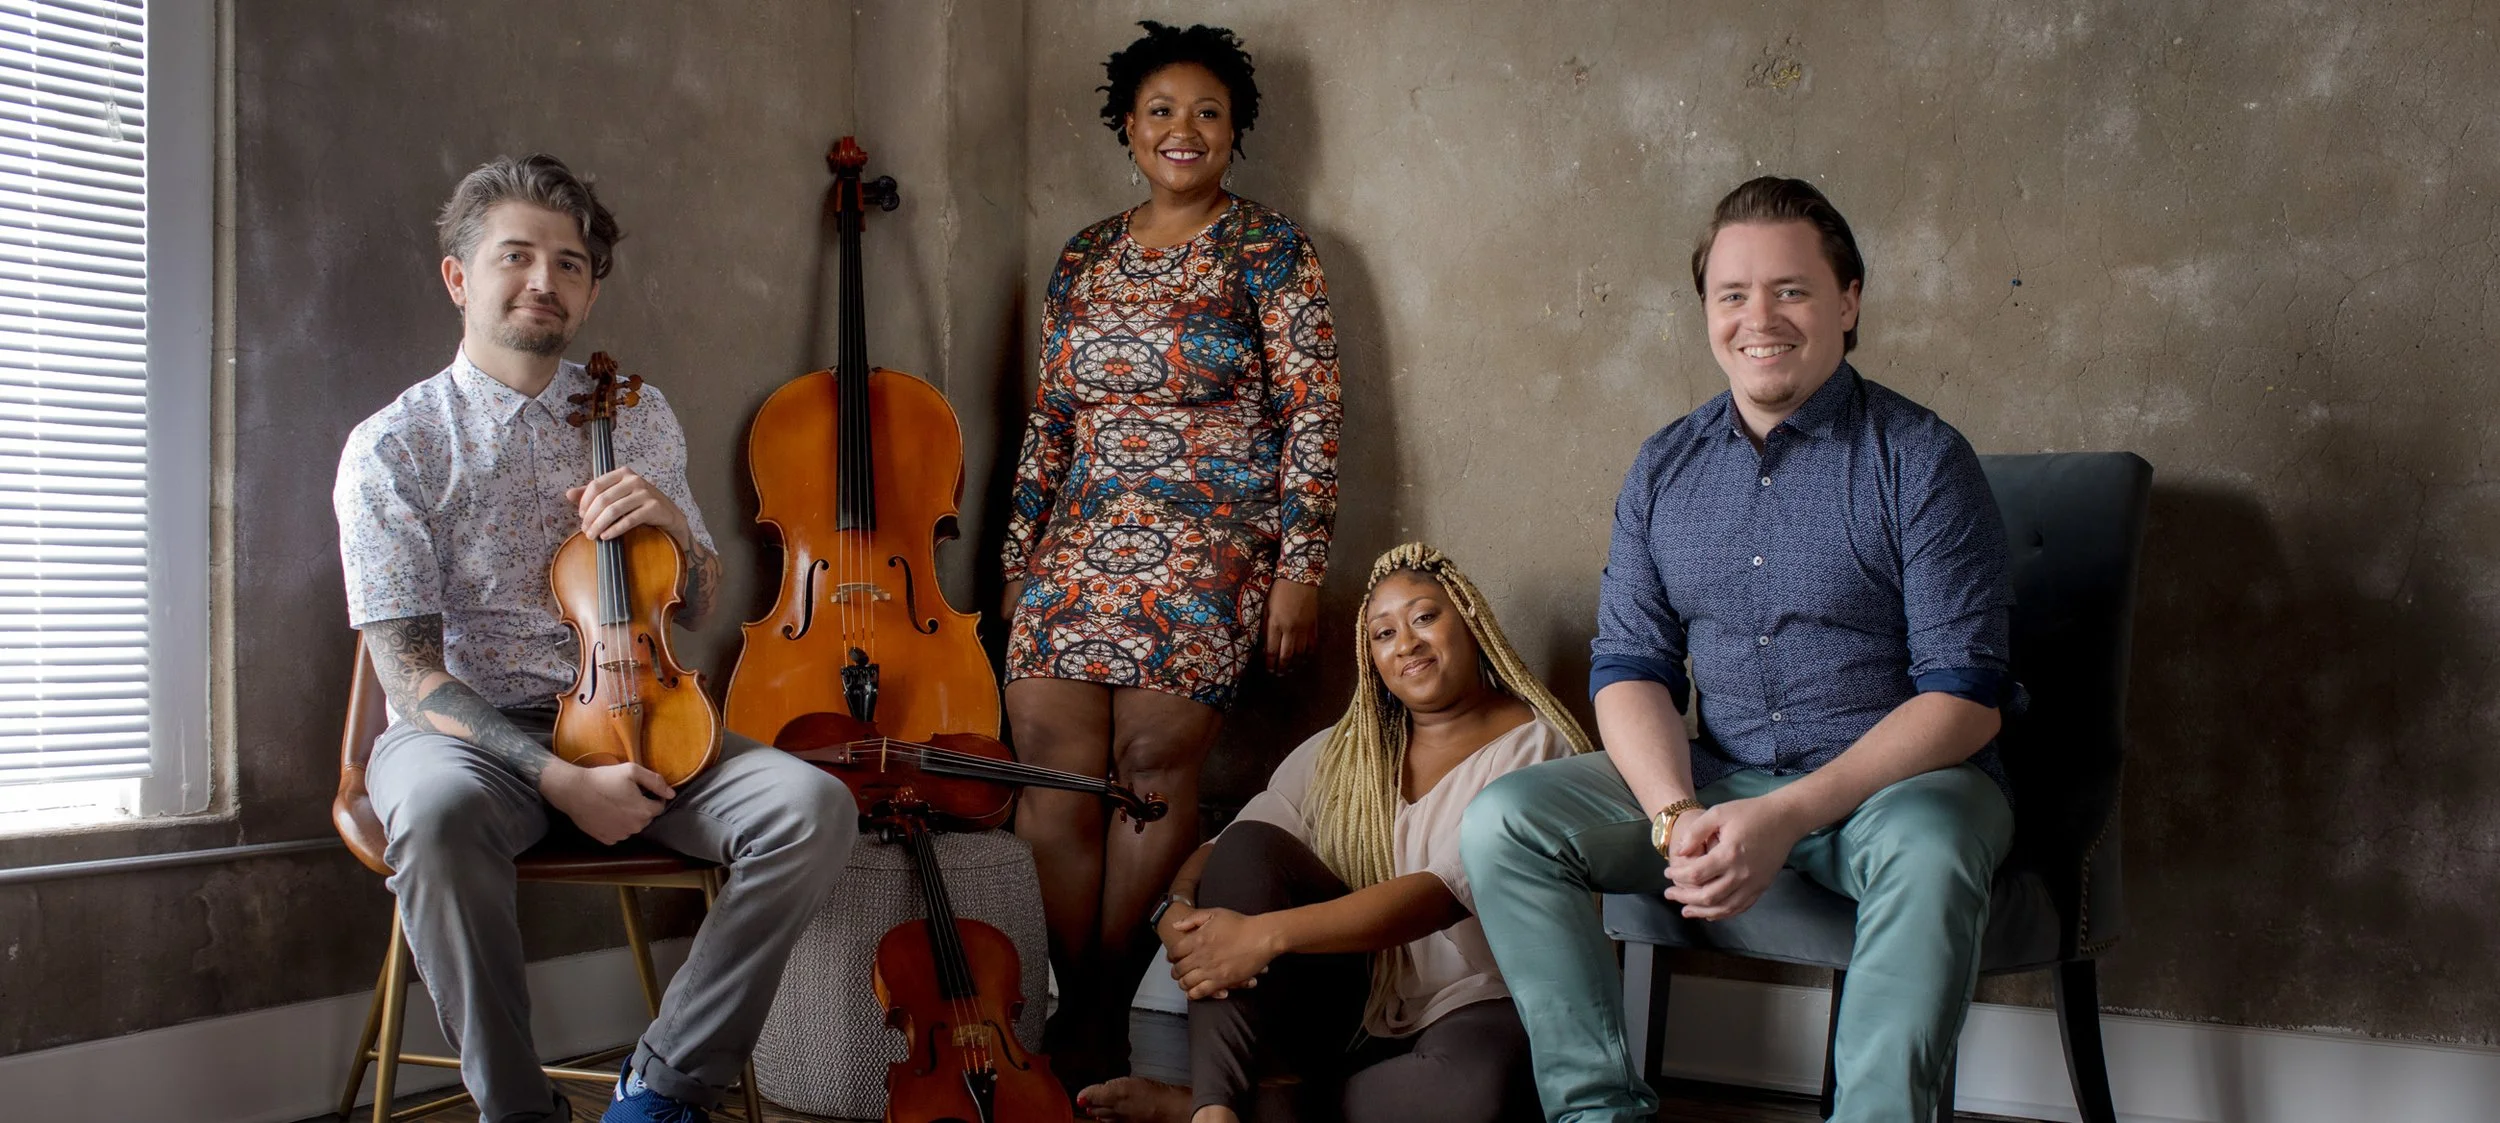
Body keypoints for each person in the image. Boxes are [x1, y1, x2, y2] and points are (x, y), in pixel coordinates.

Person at [1460, 177, 2018, 1123]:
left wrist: (1787, 814)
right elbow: (1629, 667)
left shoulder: (1922, 460)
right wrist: (1675, 813)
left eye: (1791, 290)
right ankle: (1598, 1115)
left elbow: (1965, 697)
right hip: (1718, 777)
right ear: (1708, 312)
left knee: (1934, 844)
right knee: (1504, 821)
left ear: (1848, 301)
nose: (1759, 318)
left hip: (1896, 790)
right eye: (1732, 294)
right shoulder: (1662, 467)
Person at [333, 154, 856, 1123]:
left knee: (811, 808)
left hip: (643, 716)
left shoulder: (636, 412)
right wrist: (559, 779)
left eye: (569, 264)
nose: (544, 280)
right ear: (458, 277)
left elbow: (696, 603)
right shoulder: (395, 446)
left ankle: (661, 1084)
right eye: (516, 255)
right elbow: (409, 676)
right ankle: (517, 1109)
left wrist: (676, 526)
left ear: (590, 291)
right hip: (471, 737)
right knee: (436, 818)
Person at [1000, 20, 1344, 1087]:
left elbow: (1313, 411)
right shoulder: (1083, 255)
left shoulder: (1271, 250)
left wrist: (1299, 566)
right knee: (1049, 775)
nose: (1182, 129)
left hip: (1209, 542)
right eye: (1160, 110)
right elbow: (1049, 418)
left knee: (1149, 772)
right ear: (1127, 127)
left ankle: (1102, 1013)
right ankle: (1072, 999)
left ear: (1235, 130)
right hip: (1077, 540)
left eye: (1206, 111)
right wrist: (1017, 555)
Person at [1078, 543, 1585, 1123]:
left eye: (1424, 617)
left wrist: (1264, 937)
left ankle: (1233, 1106)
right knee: (1250, 848)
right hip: (1351, 1003)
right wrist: (1178, 906)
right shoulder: (1346, 749)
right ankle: (1214, 1109)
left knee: (1474, 1095)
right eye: (1384, 633)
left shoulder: (1535, 746)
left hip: (1481, 1001)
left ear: (1469, 620)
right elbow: (1234, 845)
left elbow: (1442, 895)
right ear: (1371, 658)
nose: (1407, 643)